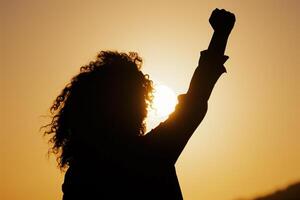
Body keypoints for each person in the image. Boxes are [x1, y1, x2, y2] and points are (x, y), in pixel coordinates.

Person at [44, 8, 235, 200]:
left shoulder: (79, 175)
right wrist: (220, 35)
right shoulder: (151, 153)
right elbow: (195, 102)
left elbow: (194, 103)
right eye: (137, 98)